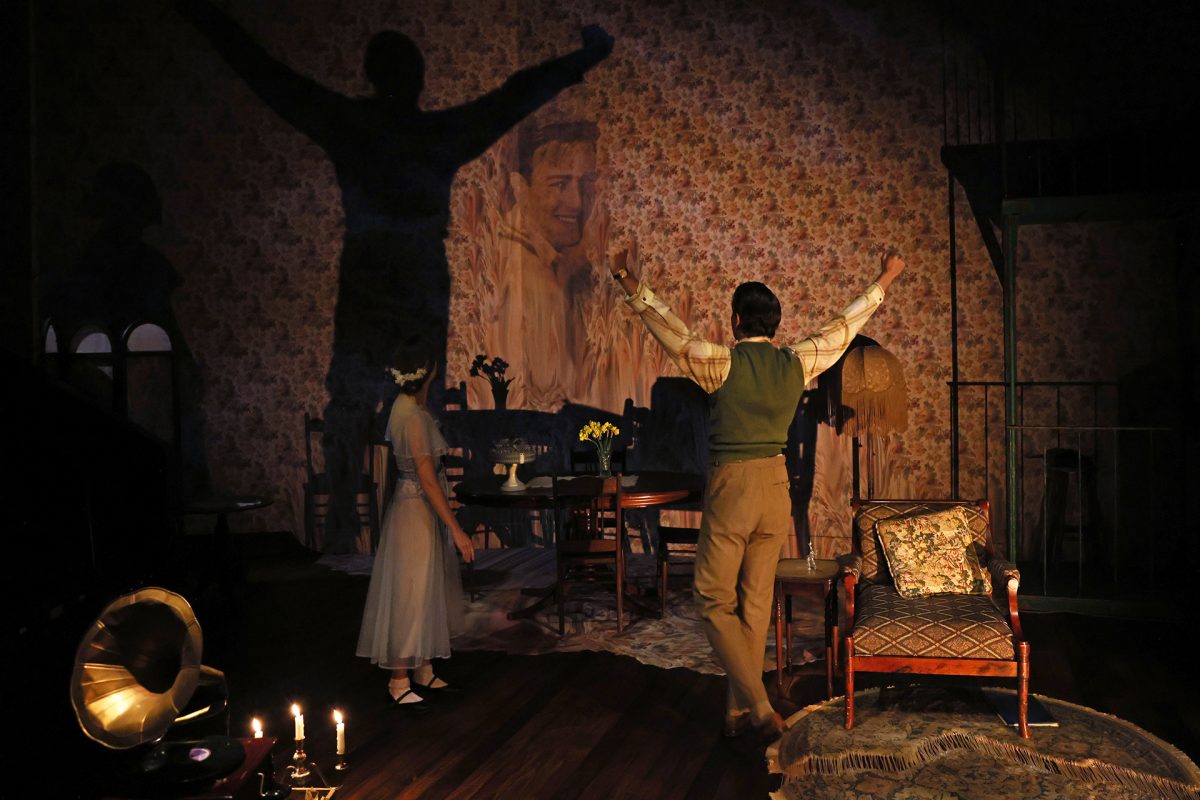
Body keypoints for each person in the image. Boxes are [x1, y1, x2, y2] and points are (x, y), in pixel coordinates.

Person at [177, 0, 614, 551]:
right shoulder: (433, 135)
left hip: (374, 277)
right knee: (406, 412)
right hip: (413, 281)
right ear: (417, 81)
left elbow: (271, 77)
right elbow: (513, 97)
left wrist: (208, 19)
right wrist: (583, 57)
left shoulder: (355, 126)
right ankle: (390, 534)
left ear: (371, 75)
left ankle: (352, 534)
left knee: (360, 410)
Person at [609, 244, 905, 739]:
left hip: (734, 488)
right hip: (776, 489)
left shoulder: (721, 364)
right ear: (775, 324)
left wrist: (629, 283)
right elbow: (844, 326)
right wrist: (887, 277)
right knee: (753, 606)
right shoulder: (797, 362)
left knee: (711, 597)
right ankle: (736, 713)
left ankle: (761, 709)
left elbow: (671, 332)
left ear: (735, 321)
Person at [356, 338, 476, 711]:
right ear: (427, 373)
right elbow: (426, 478)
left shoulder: (406, 407)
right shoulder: (413, 416)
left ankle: (423, 668)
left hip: (414, 509)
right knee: (410, 592)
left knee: (425, 588)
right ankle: (399, 680)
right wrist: (456, 528)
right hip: (414, 510)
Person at [494, 120, 600, 410]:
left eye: (585, 184)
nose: (577, 202)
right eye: (559, 184)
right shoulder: (520, 272)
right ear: (520, 188)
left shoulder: (557, 264)